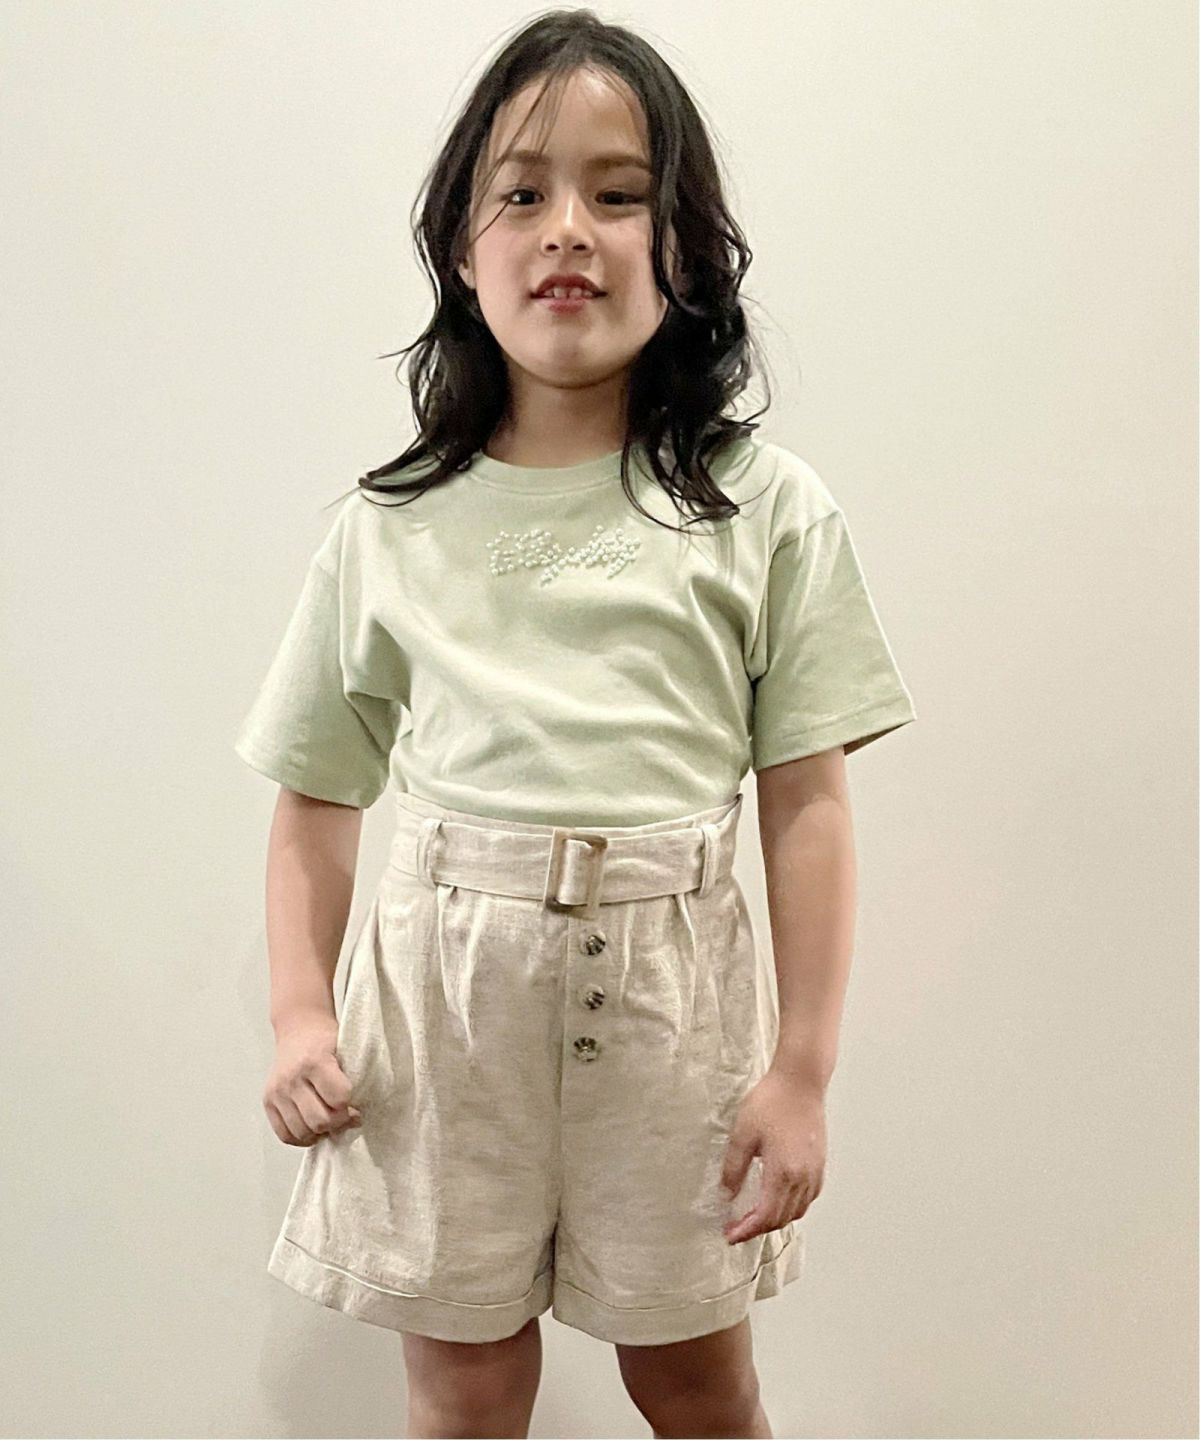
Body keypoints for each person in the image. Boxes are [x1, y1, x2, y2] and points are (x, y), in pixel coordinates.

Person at [235, 10, 917, 1438]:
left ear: (686, 250)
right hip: (441, 1016)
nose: (568, 230)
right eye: (523, 192)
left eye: (619, 195)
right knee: (465, 1388)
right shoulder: (389, 525)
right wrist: (300, 1012)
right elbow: (315, 793)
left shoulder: (764, 510)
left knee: (696, 1379)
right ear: (459, 247)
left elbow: (807, 806)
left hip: (674, 1009)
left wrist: (802, 1071)